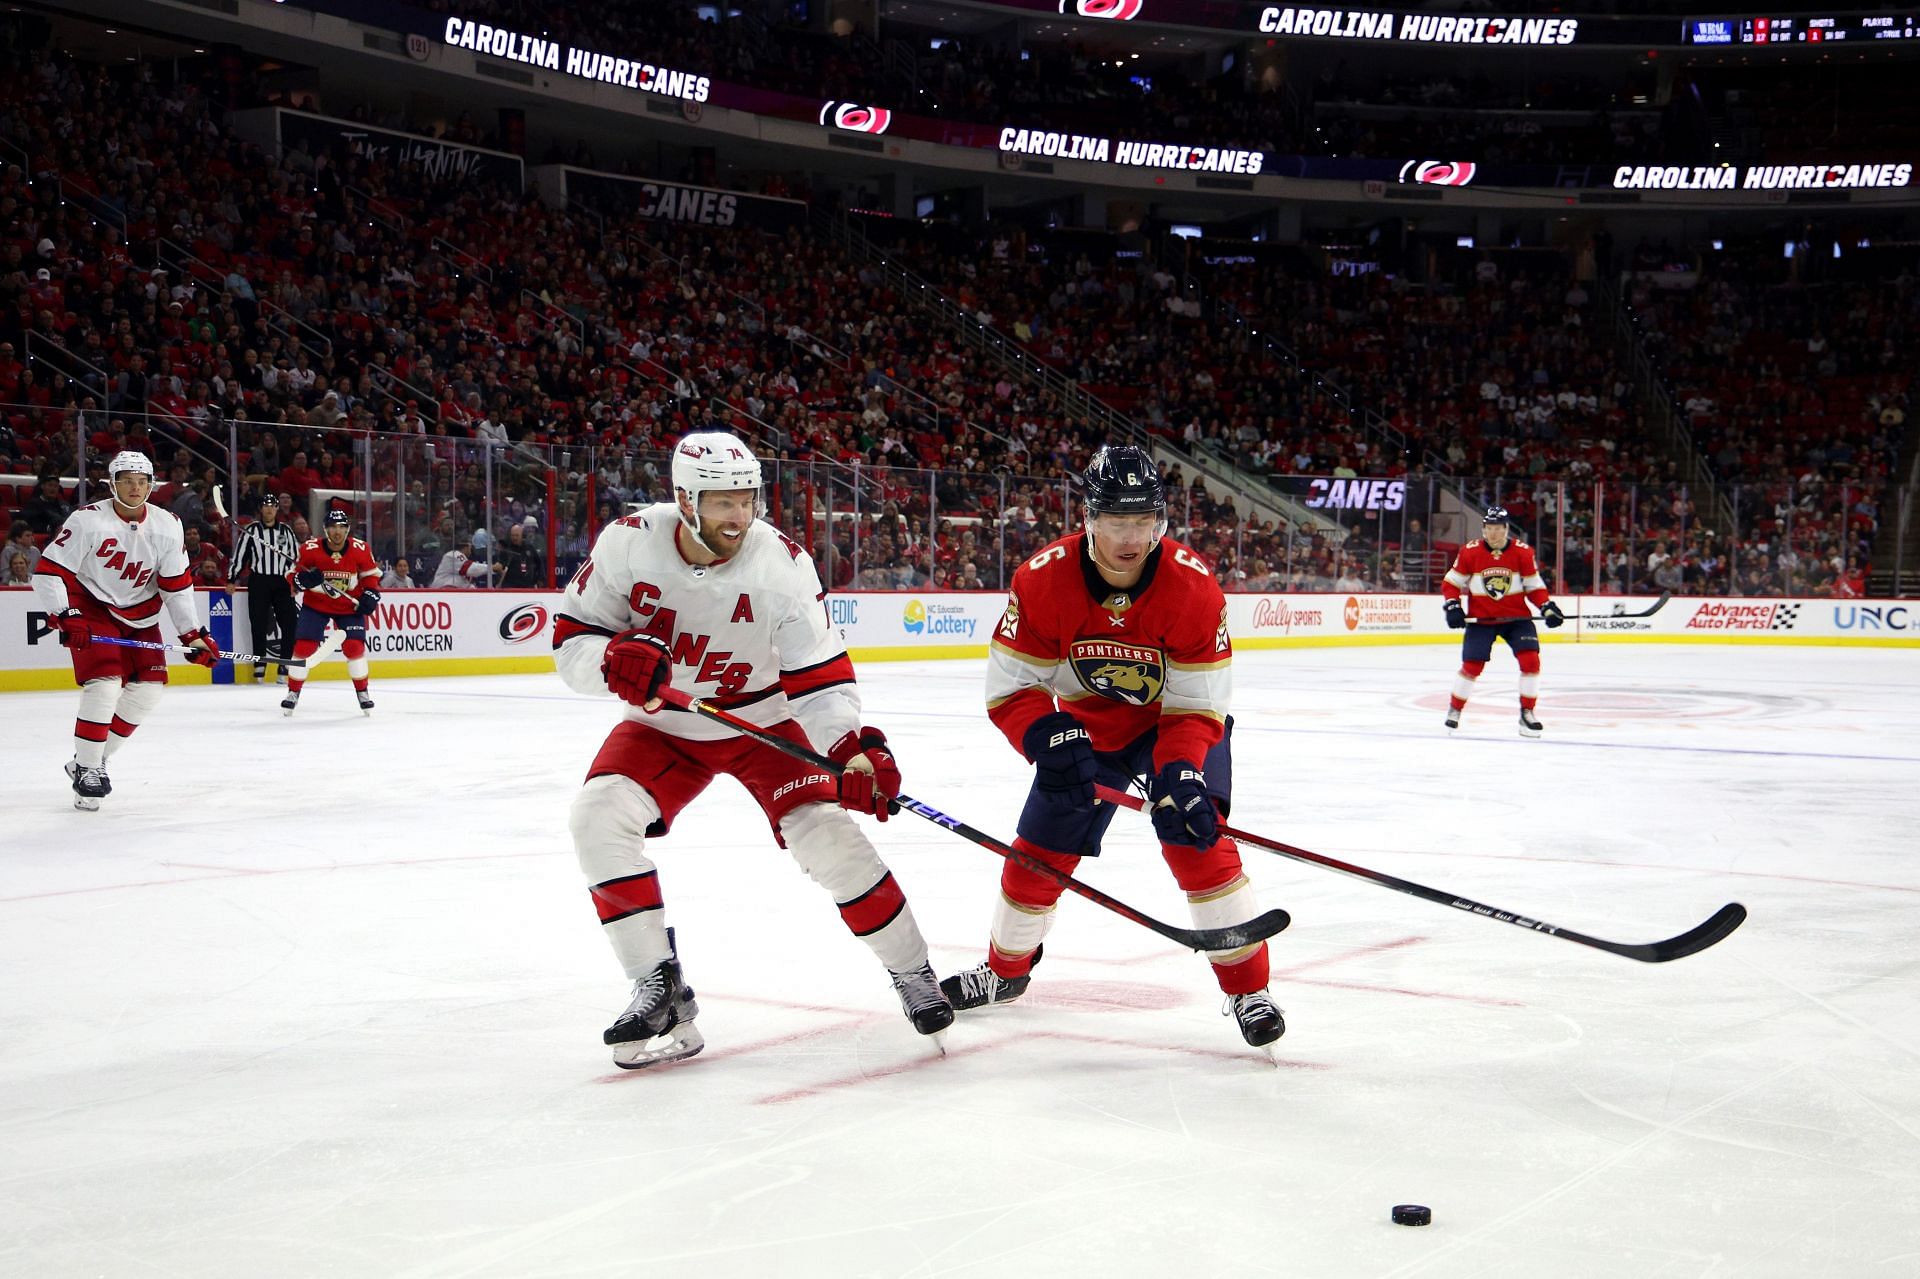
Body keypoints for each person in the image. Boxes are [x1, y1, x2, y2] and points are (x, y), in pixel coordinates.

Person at [552, 430, 952, 1069]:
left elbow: (819, 677)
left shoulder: (782, 565)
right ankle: (658, 984)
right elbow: (570, 640)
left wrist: (848, 750)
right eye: (722, 503)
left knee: (828, 834)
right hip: (664, 724)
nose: (740, 516)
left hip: (765, 724)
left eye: (748, 499)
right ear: (685, 500)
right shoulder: (627, 541)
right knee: (596, 816)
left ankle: (913, 971)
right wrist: (607, 660)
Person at [939, 445, 1285, 1053]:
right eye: (1118, 522)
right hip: (1084, 729)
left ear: (1161, 521)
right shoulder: (1042, 579)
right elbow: (1012, 688)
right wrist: (1049, 738)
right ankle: (1004, 972)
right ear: (1089, 519)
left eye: (1144, 521)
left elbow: (1198, 703)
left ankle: (1249, 990)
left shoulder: (1193, 589)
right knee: (1035, 855)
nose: (1132, 537)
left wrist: (1180, 769)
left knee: (1197, 838)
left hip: (1169, 725)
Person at [29, 451, 218, 809]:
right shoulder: (87, 521)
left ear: (152, 485)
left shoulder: (167, 524)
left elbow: (176, 585)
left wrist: (192, 633)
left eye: (142, 481)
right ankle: (87, 768)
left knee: (148, 691)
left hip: (142, 615)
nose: (135, 487)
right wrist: (65, 613)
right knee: (105, 683)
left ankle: (89, 760)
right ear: (112, 484)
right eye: (127, 480)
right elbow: (49, 573)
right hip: (92, 607)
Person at [1440, 505, 1565, 737]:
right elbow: (1451, 583)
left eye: (1498, 528)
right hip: (1482, 620)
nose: (1493, 533)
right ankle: (1454, 710)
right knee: (1471, 667)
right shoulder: (1469, 552)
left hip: (1516, 619)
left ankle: (1527, 714)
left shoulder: (1523, 552)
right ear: (1483, 529)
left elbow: (1534, 587)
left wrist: (1547, 607)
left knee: (1531, 662)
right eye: (1489, 528)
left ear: (1507, 529)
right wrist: (1452, 606)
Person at [282, 508, 382, 716]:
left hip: (348, 607)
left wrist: (370, 596)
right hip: (316, 605)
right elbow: (292, 577)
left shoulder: (360, 549)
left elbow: (370, 577)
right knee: (304, 646)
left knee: (354, 647)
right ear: (325, 530)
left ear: (347, 530)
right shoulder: (309, 549)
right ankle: (293, 692)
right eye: (333, 527)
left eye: (341, 527)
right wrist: (303, 580)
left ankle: (362, 692)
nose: (337, 531)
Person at [230, 491, 300, 683]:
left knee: (289, 624)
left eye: (272, 506)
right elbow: (240, 556)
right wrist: (231, 579)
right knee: (258, 623)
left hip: (282, 582)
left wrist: (294, 580)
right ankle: (260, 664)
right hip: (259, 581)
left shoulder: (286, 531)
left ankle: (284, 664)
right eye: (266, 506)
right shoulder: (251, 530)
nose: (269, 509)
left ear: (277, 509)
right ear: (261, 509)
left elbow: (296, 558)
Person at [431, 535, 495, 587]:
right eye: (470, 547)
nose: (471, 550)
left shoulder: (460, 559)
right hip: (441, 591)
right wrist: (492, 567)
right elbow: (470, 569)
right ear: (467, 547)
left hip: (449, 593)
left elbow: (465, 583)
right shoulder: (453, 555)